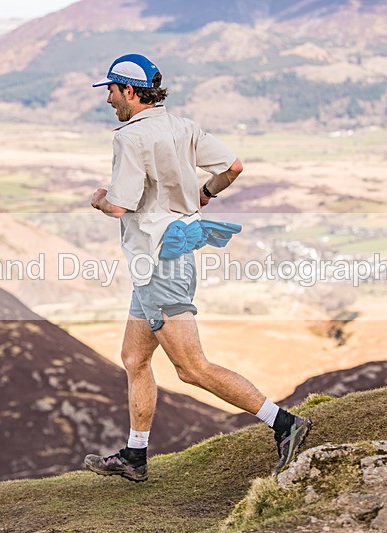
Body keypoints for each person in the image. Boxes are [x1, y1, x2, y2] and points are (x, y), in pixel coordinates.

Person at [84, 53, 311, 482]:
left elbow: (118, 206)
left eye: (112, 90)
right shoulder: (183, 126)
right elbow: (233, 167)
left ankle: (284, 423)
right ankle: (135, 457)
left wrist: (97, 197)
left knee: (192, 368)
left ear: (129, 91)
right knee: (134, 358)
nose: (109, 99)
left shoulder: (129, 138)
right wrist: (205, 193)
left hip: (159, 265)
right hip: (167, 261)